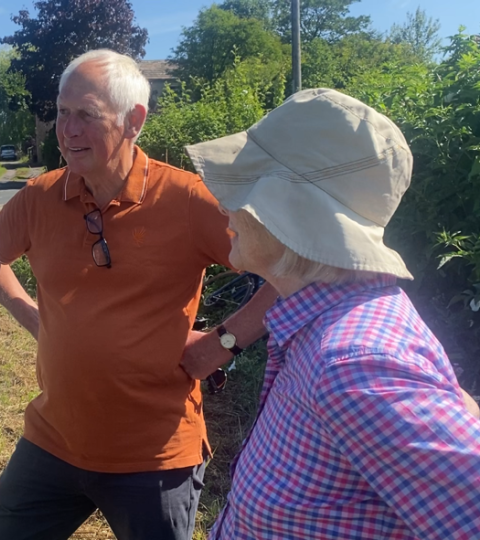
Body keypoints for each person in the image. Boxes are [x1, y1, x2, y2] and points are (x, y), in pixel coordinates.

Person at [0, 49, 276, 540]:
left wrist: (223, 343)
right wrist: (29, 314)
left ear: (134, 121)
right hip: (54, 440)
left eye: (86, 115)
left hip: (153, 457)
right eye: (63, 113)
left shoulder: (188, 200)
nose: (67, 131)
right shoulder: (41, 197)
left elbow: (287, 269)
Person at [185, 88, 480, 539]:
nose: (224, 204)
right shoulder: (323, 328)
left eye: (245, 187)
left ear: (290, 214)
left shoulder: (353, 365)